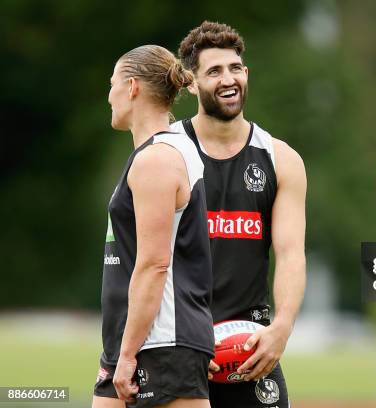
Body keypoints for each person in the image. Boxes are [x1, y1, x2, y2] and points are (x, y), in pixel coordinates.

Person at [169, 21, 307, 408]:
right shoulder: (167, 154)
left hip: (250, 348)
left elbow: (291, 253)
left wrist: (281, 328)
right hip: (178, 348)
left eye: (234, 68)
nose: (228, 79)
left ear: (246, 74)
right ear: (191, 83)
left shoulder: (282, 159)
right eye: (214, 71)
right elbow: (145, 259)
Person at [93, 45, 215, 408]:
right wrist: (118, 351)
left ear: (132, 87)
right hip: (133, 341)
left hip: (159, 343)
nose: (108, 94)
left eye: (112, 83)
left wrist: (129, 353)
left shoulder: (157, 160)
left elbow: (154, 263)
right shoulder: (155, 153)